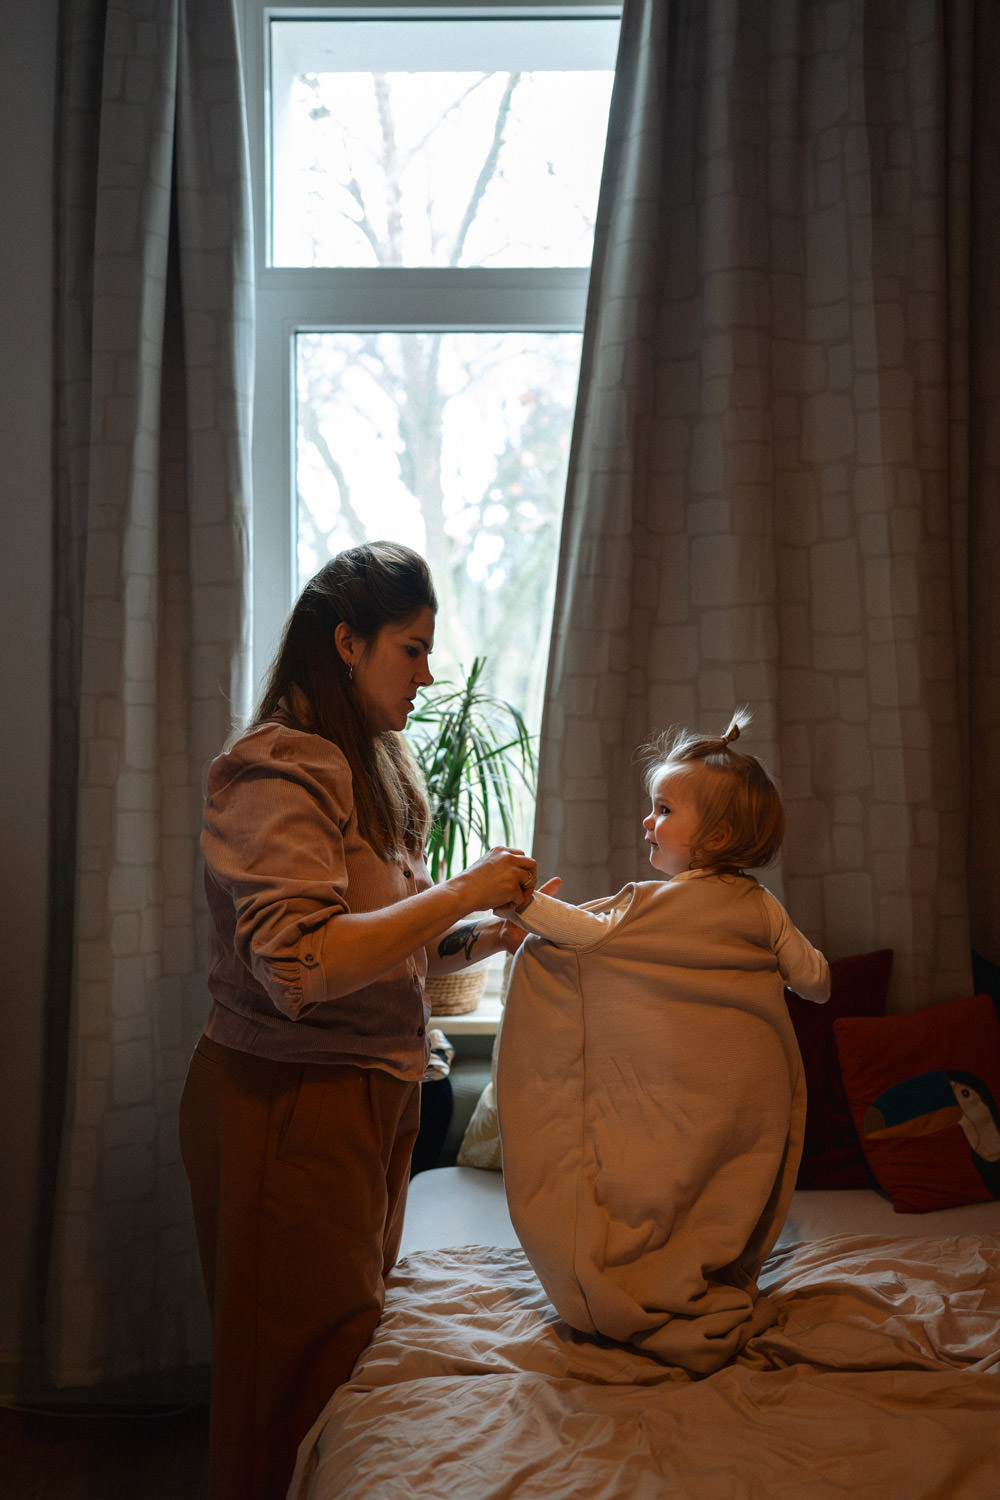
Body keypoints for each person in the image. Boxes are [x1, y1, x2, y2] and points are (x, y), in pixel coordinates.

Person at [179, 541, 538, 1500]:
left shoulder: (368, 765)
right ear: (347, 642)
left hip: (366, 1100)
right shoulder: (277, 769)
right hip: (290, 1103)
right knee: (284, 1386)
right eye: (411, 649)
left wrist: (485, 936)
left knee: (339, 1360)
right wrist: (461, 889)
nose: (427, 675)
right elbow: (301, 966)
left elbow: (387, 943)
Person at [495, 708, 830, 1375]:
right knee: (715, 1188)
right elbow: (816, 983)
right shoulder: (763, 908)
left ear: (717, 836)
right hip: (740, 1100)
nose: (648, 821)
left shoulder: (650, 906)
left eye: (664, 809)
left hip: (691, 1096)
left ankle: (650, 1281)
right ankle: (702, 1277)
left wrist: (522, 905)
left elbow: (581, 934)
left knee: (664, 1183)